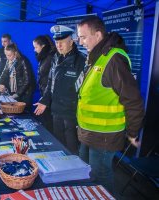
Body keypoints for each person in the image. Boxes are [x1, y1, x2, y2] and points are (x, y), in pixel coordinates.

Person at [76, 16, 144, 193]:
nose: (80, 42)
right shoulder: (96, 56)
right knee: (86, 174)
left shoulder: (114, 59)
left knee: (100, 178)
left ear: (98, 35)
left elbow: (133, 100)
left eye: (83, 37)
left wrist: (132, 132)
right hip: (88, 132)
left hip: (105, 135)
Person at [34, 25, 86, 154]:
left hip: (71, 113)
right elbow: (51, 83)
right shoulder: (56, 58)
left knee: (72, 147)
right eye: (57, 42)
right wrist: (45, 100)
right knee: (59, 145)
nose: (59, 45)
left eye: (62, 42)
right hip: (56, 111)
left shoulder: (82, 60)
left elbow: (84, 90)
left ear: (71, 41)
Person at [0, 43, 35, 111]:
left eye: (9, 55)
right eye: (6, 55)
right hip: (15, 92)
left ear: (15, 53)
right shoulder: (9, 61)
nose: (7, 57)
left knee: (24, 112)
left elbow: (28, 80)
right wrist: (0, 85)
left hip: (25, 93)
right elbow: (4, 74)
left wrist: (17, 94)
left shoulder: (23, 61)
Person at [32, 35, 56, 133]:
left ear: (43, 46)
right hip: (45, 95)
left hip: (50, 97)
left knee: (49, 123)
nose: (34, 50)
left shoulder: (50, 58)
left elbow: (50, 80)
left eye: (36, 47)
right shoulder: (43, 57)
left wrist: (46, 98)